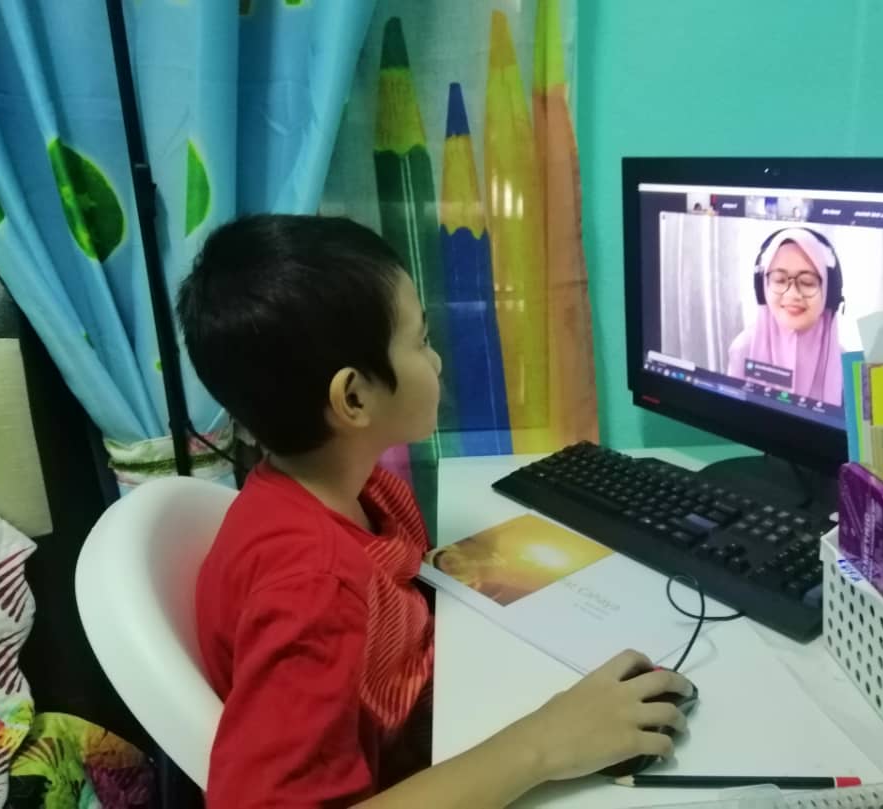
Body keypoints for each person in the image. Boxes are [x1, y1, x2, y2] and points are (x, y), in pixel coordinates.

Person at [177, 214, 694, 808]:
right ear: (354, 397)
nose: (438, 360)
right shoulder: (312, 589)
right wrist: (542, 745)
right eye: (421, 341)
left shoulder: (362, 492)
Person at [726, 227, 844, 406]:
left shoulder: (845, 362)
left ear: (829, 292)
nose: (792, 294)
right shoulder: (742, 349)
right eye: (780, 280)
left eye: (807, 282)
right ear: (763, 288)